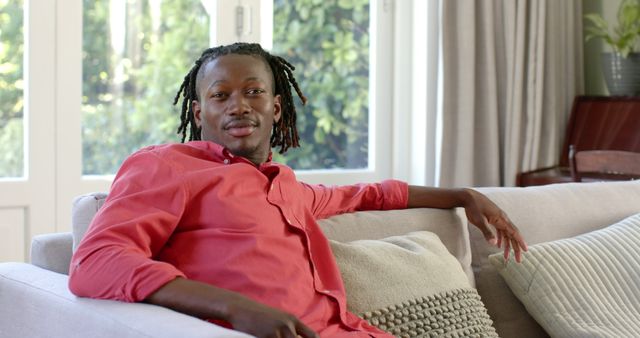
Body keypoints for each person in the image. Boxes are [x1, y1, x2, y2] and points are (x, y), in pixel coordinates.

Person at [69, 42, 527, 338]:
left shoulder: (286, 186)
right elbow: (96, 262)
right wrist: (238, 310)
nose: (239, 106)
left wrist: (462, 196)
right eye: (220, 95)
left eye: (253, 92)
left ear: (276, 106)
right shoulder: (166, 166)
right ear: (198, 111)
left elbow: (370, 194)